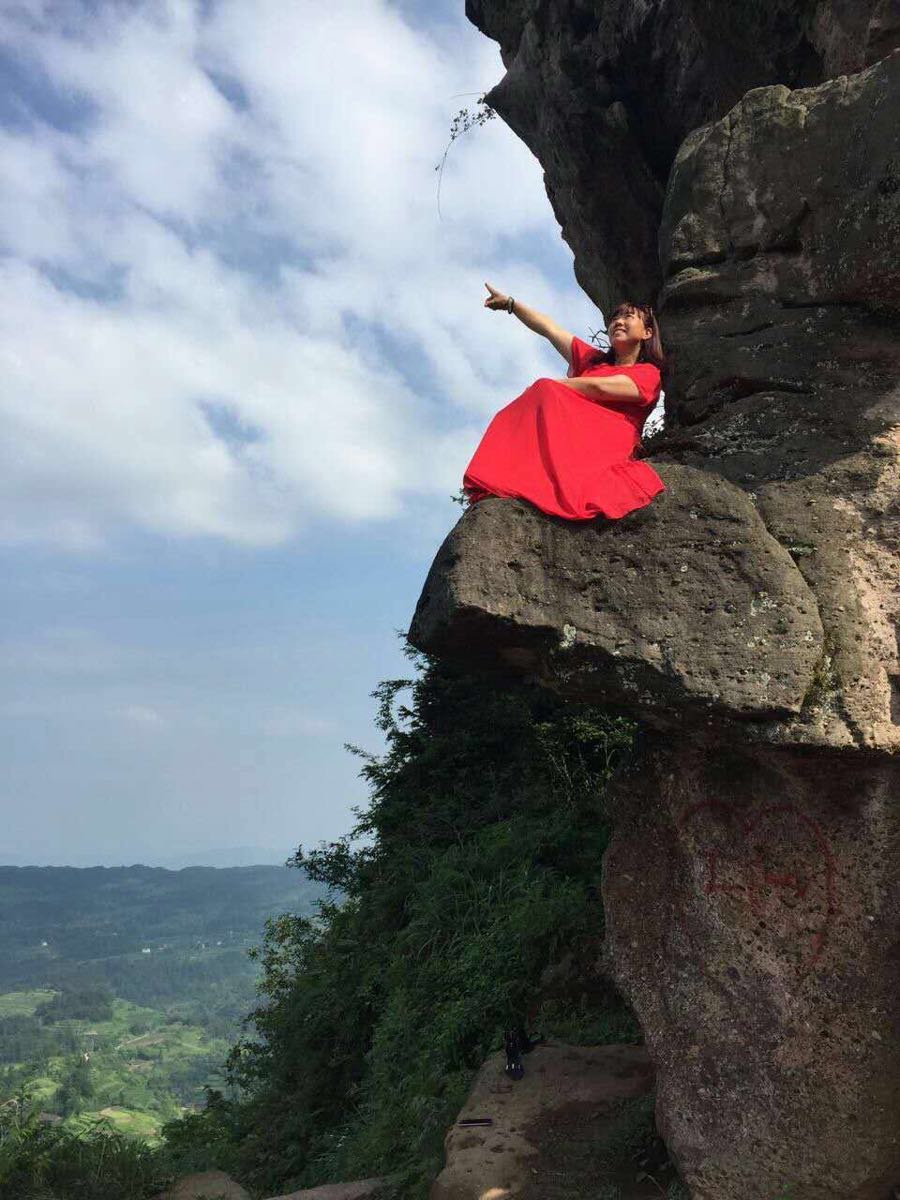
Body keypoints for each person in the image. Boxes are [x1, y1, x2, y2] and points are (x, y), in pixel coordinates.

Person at [462, 283, 666, 520]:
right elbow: (550, 329)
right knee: (519, 408)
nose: (618, 322)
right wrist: (511, 304)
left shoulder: (648, 373)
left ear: (647, 333)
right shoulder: (593, 362)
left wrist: (556, 385)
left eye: (628, 317)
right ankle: (507, 478)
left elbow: (598, 387)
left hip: (603, 447)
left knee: (545, 390)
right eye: (615, 318)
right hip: (571, 438)